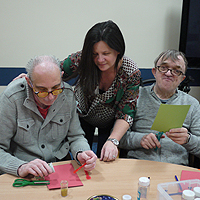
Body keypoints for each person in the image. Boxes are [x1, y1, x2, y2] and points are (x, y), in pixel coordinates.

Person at [0, 55, 97, 178]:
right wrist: (21, 167)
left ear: (61, 77)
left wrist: (81, 152)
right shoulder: (11, 99)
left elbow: (76, 136)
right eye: (42, 90)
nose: (50, 97)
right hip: (24, 171)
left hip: (57, 167)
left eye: (56, 88)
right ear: (29, 82)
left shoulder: (67, 95)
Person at [60, 20, 141, 161]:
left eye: (106, 53)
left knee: (107, 158)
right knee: (81, 158)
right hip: (81, 115)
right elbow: (54, 71)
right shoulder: (83, 58)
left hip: (111, 121)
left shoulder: (130, 72)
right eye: (95, 54)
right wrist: (30, 77)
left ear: (118, 51)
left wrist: (113, 141)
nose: (100, 59)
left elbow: (127, 113)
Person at [119, 49, 200, 166]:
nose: (168, 73)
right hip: (139, 166)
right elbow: (118, 138)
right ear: (154, 72)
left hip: (176, 169)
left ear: (182, 78)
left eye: (176, 70)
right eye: (163, 68)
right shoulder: (135, 97)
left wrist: (188, 139)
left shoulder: (192, 104)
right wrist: (140, 139)